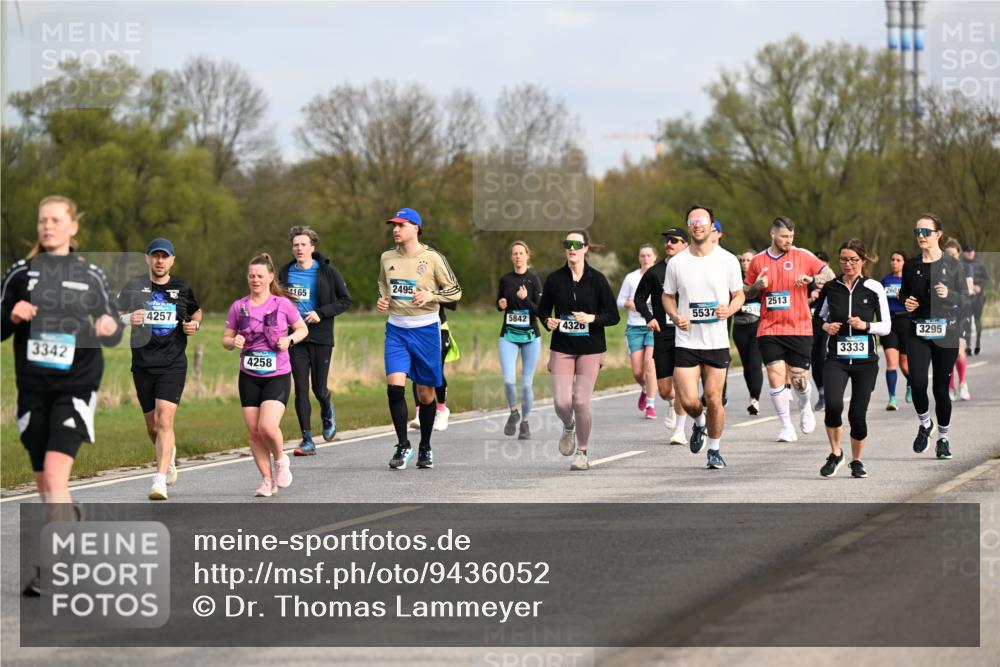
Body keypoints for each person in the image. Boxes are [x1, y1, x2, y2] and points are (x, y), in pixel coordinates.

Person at [3, 195, 123, 595]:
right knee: (44, 482)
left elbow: (114, 324)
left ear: (73, 227)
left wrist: (109, 325)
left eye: (55, 220)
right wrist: (12, 316)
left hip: (77, 383)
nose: (48, 226)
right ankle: (68, 516)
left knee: (55, 474)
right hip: (33, 388)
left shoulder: (90, 275)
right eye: (43, 220)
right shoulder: (20, 274)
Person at [117, 238, 202, 500]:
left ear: (172, 260)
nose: (160, 261)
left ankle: (159, 480)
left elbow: (196, 311)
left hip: (172, 363)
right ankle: (169, 455)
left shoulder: (182, 287)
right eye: (156, 256)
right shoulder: (134, 286)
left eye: (165, 256)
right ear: (147, 258)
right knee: (153, 428)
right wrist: (127, 318)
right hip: (143, 364)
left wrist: (194, 325)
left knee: (165, 420)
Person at [377, 208, 462, 470]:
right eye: (394, 225)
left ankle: (425, 446)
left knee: (425, 394)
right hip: (396, 330)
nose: (395, 230)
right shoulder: (387, 257)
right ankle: (403, 445)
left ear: (416, 228)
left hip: (426, 330)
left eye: (401, 225)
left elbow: (455, 291)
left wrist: (431, 296)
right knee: (395, 387)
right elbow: (383, 284)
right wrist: (383, 299)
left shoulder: (433, 258)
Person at [663, 205, 744, 469]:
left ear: (711, 226)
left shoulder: (728, 260)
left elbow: (739, 295)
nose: (697, 224)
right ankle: (699, 422)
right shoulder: (677, 263)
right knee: (688, 400)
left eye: (702, 220)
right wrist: (675, 315)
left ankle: (714, 450)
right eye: (693, 221)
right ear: (689, 227)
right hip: (686, 340)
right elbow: (667, 296)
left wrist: (728, 310)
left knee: (713, 399)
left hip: (716, 342)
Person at [223, 254, 308, 496]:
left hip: (277, 374)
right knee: (254, 432)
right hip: (249, 375)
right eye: (252, 276)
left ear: (270, 277)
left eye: (260, 276)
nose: (255, 280)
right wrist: (233, 342)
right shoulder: (239, 307)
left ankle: (280, 459)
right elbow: (226, 339)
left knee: (267, 427)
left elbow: (302, 329)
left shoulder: (282, 305)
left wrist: (289, 340)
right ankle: (267, 481)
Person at [744, 217, 835, 442]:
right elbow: (745, 291)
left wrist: (812, 278)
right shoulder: (757, 261)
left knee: (798, 379)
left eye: (791, 236)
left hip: (799, 327)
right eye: (784, 236)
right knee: (775, 375)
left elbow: (830, 275)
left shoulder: (802, 255)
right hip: (769, 328)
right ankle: (786, 426)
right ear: (772, 234)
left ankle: (805, 407)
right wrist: (757, 287)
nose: (789, 240)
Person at [537, 229, 620, 471]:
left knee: (581, 402)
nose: (571, 249)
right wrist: (547, 321)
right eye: (568, 244)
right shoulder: (554, 279)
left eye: (576, 245)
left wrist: (592, 318)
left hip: (591, 348)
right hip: (562, 347)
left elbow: (613, 316)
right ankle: (569, 426)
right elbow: (542, 310)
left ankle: (582, 452)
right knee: (562, 403)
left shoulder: (598, 280)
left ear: (585, 248)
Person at [816, 239, 891, 479]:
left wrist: (865, 325)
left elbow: (886, 326)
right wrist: (826, 326)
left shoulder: (874, 287)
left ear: (863, 260)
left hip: (865, 361)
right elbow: (818, 318)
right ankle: (836, 453)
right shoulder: (831, 287)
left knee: (857, 415)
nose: (848, 264)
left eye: (853, 260)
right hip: (836, 358)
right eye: (843, 260)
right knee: (833, 406)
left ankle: (856, 460)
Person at [277, 226, 352, 456]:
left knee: (319, 389)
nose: (299, 248)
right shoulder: (285, 273)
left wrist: (321, 313)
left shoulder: (328, 272)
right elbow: (275, 300)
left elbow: (345, 300)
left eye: (303, 244)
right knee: (300, 389)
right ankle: (307, 440)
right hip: (294, 337)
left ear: (312, 247)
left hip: (320, 336)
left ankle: (327, 408)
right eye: (295, 245)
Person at [899, 213, 965, 460]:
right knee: (917, 382)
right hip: (919, 330)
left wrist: (949, 294)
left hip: (946, 332)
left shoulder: (953, 265)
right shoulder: (911, 265)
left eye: (925, 231)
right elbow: (903, 293)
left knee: (940, 389)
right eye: (917, 232)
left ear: (938, 234)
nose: (921, 236)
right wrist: (907, 302)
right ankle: (926, 423)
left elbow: (965, 299)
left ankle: (943, 438)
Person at [634, 228, 690, 444]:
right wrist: (649, 317)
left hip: (687, 333)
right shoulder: (655, 272)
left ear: (685, 244)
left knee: (683, 381)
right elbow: (639, 299)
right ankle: (672, 403)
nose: (669, 244)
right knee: (666, 390)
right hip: (663, 334)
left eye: (674, 240)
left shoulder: (693, 268)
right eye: (667, 240)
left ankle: (680, 431)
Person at [496, 240, 543, 439]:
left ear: (527, 256)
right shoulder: (505, 279)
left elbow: (540, 310)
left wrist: (525, 299)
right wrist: (500, 304)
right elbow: (499, 302)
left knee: (526, 385)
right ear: (511, 257)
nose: (518, 256)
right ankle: (514, 412)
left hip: (530, 336)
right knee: (508, 380)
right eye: (514, 253)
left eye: (521, 253)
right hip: (508, 335)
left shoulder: (534, 280)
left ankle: (525, 423)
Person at [617, 244, 659, 419]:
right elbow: (619, 301)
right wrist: (630, 303)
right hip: (634, 327)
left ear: (655, 257)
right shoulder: (631, 278)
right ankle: (644, 388)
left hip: (653, 326)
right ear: (639, 258)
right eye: (642, 255)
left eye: (649, 255)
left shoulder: (660, 275)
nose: (646, 258)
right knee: (637, 371)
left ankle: (650, 404)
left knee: (650, 364)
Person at [733, 249, 764, 416]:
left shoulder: (762, 279)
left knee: (754, 363)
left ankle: (755, 399)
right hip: (739, 327)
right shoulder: (734, 279)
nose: (745, 263)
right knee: (746, 364)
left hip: (757, 326)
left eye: (749, 260)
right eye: (743, 260)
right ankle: (752, 395)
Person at [944, 239, 974, 401]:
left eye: (954, 254)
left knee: (959, 352)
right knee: (948, 353)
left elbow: (967, 293)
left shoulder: (965, 269)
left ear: (959, 255)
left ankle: (962, 384)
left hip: (961, 314)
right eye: (947, 254)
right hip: (944, 315)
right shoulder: (939, 271)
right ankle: (950, 388)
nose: (951, 257)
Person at [879, 250, 909, 409]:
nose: (894, 262)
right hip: (889, 323)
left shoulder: (909, 281)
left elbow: (916, 302)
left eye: (898, 260)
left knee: (904, 364)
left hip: (905, 322)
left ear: (905, 263)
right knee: (891, 362)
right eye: (892, 259)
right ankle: (892, 399)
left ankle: (910, 383)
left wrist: (903, 297)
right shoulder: (885, 281)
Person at [809, 250, 830, 411]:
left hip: (829, 326)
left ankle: (831, 391)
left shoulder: (832, 283)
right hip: (811, 326)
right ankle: (822, 393)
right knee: (815, 360)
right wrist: (811, 297)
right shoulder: (807, 281)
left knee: (825, 357)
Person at [962, 244, 988, 355]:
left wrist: (980, 286)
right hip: (966, 297)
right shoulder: (960, 264)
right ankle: (967, 345)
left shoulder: (980, 264)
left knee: (977, 320)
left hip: (978, 296)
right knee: (966, 320)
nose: (969, 253)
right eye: (967, 251)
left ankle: (977, 343)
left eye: (971, 251)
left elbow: (986, 278)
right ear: (964, 253)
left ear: (974, 252)